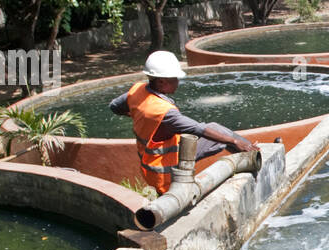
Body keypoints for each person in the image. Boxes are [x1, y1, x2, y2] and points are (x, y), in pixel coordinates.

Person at [110, 50, 257, 193]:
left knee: (215, 130)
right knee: (217, 131)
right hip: (167, 173)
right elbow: (199, 129)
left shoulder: (137, 90)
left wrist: (137, 115)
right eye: (174, 79)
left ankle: (248, 150)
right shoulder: (164, 113)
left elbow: (114, 106)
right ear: (161, 82)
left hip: (150, 166)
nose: (178, 82)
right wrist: (235, 141)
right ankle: (253, 157)